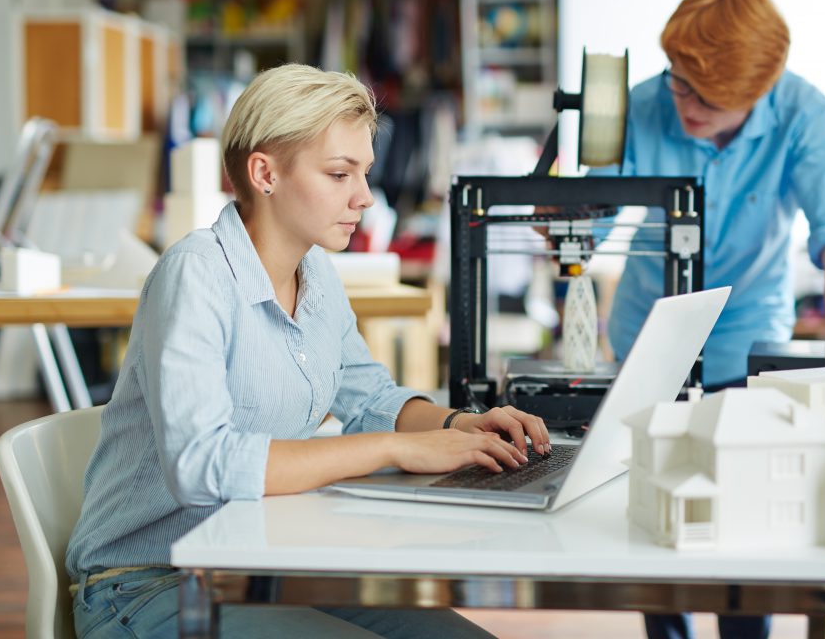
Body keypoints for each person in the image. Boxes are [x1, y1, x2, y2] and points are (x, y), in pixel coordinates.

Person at [65, 63, 551, 639]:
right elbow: (203, 467)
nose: (366, 197)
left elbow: (369, 396)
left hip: (259, 562)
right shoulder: (195, 276)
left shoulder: (314, 272)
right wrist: (398, 447)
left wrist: (462, 426)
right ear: (264, 172)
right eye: (340, 174)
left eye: (364, 173)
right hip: (149, 583)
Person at [606, 0, 825, 639]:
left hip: (746, 336)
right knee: (658, 517)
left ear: (758, 88)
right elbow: (586, 215)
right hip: (649, 335)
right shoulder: (643, 105)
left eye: (708, 97)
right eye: (680, 85)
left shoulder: (801, 114)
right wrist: (556, 187)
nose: (686, 106)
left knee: (744, 522)